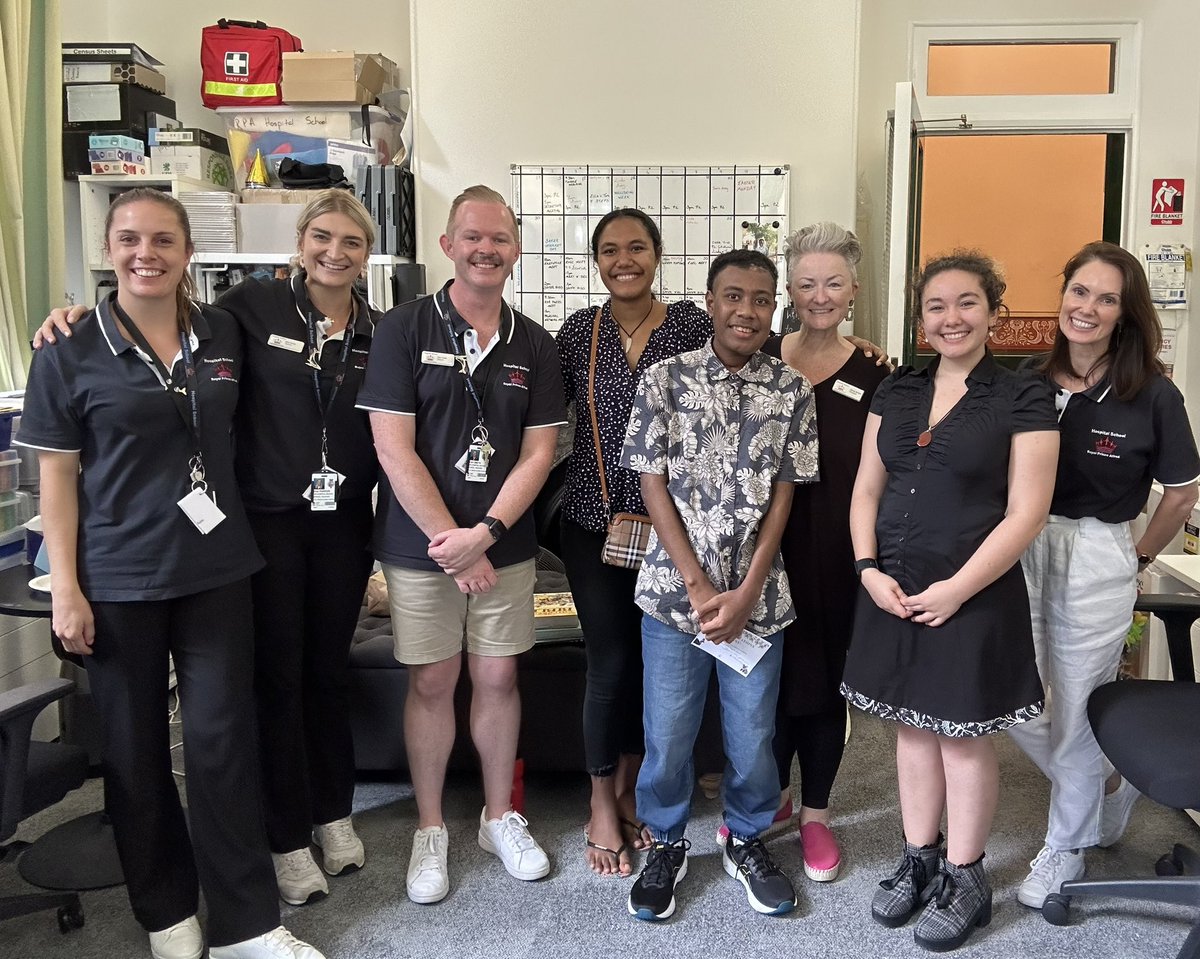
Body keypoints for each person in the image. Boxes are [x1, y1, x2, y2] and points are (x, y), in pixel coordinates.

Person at [36, 190, 383, 908]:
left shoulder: (381, 327)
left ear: (368, 253)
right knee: (278, 680)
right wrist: (72, 314)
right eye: (322, 235)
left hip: (339, 523)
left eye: (352, 241)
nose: (335, 251)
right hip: (263, 524)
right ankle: (286, 838)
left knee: (326, 673)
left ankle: (333, 811)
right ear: (299, 240)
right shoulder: (249, 311)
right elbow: (149, 332)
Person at [840, 251, 1059, 952]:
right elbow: (866, 490)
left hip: (973, 592)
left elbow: (1027, 511)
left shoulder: (1024, 394)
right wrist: (868, 568)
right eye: (936, 306)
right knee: (909, 729)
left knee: (962, 738)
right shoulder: (896, 390)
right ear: (921, 320)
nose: (951, 317)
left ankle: (966, 877)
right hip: (893, 587)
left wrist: (959, 588)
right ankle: (919, 857)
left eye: (967, 303)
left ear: (994, 311)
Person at [356, 185, 566, 904]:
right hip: (422, 550)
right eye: (472, 236)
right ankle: (429, 826)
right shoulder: (404, 328)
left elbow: (538, 456)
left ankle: (497, 815)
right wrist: (455, 540)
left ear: (515, 248)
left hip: (503, 546)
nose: (486, 249)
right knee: (433, 682)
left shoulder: (533, 342)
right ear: (447, 244)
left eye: (500, 238)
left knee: (500, 679)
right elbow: (392, 446)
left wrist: (487, 535)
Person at [620, 248, 818, 921]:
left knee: (751, 735)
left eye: (762, 299)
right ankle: (667, 840)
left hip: (758, 601)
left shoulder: (793, 390)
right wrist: (703, 587)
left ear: (774, 309)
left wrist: (746, 588)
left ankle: (744, 836)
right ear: (709, 301)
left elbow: (785, 496)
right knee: (669, 732)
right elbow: (652, 484)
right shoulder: (665, 379)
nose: (747, 310)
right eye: (734, 296)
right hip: (676, 599)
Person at [1007, 241, 1200, 909]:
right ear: (1061, 294)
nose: (1086, 307)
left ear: (1125, 313)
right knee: (1015, 698)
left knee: (1081, 710)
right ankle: (1111, 787)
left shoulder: (1152, 394)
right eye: (1079, 290)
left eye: (1106, 297)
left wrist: (1138, 554)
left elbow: (1180, 493)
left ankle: (1064, 847)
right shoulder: (1027, 379)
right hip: (1024, 544)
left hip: (1098, 552)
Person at [554, 208, 711, 876]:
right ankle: (599, 800)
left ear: (658, 254)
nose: (625, 259)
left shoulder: (692, 326)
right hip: (595, 523)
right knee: (611, 661)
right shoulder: (577, 333)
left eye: (637, 247)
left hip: (675, 527)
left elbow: (753, 368)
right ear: (596, 260)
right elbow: (535, 418)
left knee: (660, 666)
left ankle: (636, 786)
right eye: (611, 249)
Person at [755, 222, 890, 883]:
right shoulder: (759, 355)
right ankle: (773, 795)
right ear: (789, 289)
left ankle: (816, 812)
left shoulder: (878, 371)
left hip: (837, 550)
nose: (819, 295)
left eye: (833, 283)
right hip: (761, 548)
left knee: (824, 682)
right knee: (768, 680)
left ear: (853, 290)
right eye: (806, 283)